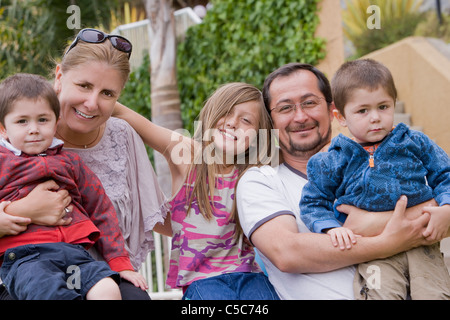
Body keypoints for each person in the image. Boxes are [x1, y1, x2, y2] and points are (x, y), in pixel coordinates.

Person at [236, 62, 440, 300]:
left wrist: (369, 223)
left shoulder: (391, 155)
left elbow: (441, 210)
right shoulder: (261, 181)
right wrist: (389, 240)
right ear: (270, 120)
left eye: (310, 102)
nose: (300, 117)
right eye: (285, 108)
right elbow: (288, 253)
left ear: (332, 108)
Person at [0, 28, 169, 300]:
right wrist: (20, 210)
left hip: (86, 264)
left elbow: (106, 209)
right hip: (24, 264)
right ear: (59, 77)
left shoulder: (109, 141)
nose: (91, 104)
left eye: (108, 93)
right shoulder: (11, 140)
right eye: (84, 86)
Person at [299, 59, 450, 299]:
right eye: (362, 111)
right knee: (381, 294)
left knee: (434, 295)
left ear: (394, 104)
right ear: (340, 116)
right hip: (375, 249)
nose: (375, 118)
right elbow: (313, 202)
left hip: (422, 243)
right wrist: (329, 228)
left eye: (383, 107)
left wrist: (447, 207)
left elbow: (445, 174)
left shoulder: (414, 142)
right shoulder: (332, 160)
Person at [114, 82, 279, 300]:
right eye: (226, 112)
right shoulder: (188, 155)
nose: (232, 123)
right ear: (212, 112)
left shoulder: (253, 173)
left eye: (246, 120)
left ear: (259, 135)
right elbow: (126, 115)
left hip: (249, 275)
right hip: (202, 281)